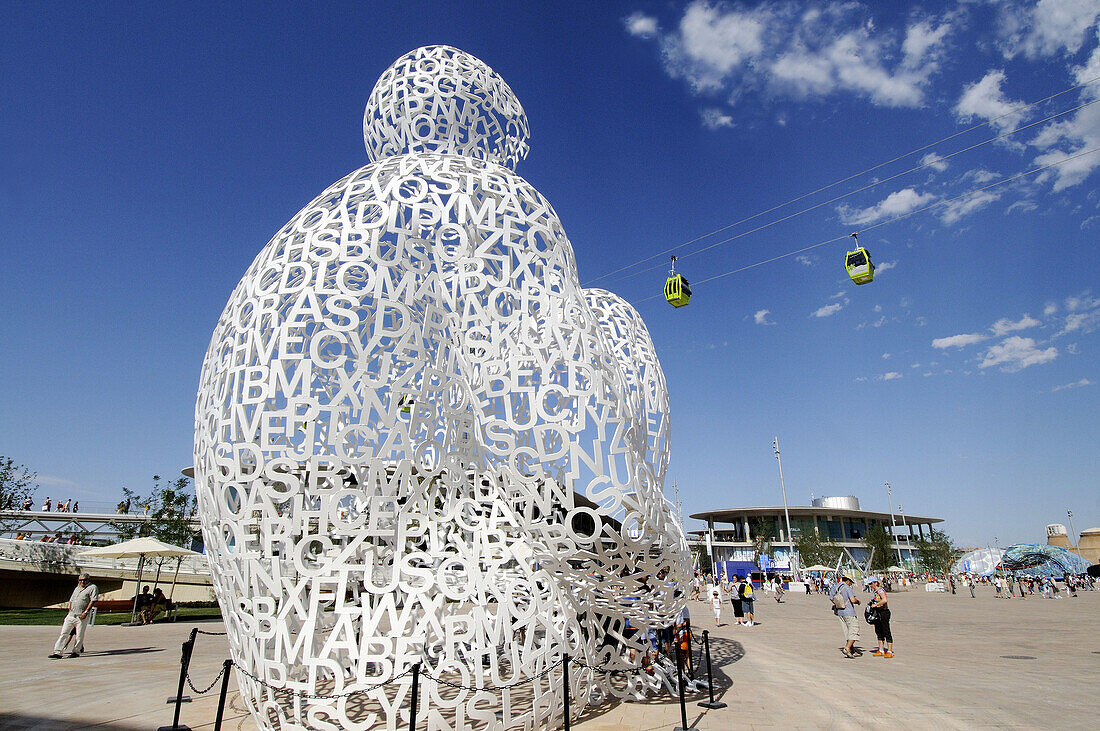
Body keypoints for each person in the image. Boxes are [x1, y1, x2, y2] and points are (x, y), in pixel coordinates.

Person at [49, 573, 98, 658]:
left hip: (81, 616)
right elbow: (71, 600)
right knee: (64, 633)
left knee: (79, 635)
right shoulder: (77, 588)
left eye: (84, 580)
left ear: (88, 580)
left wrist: (85, 612)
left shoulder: (93, 588)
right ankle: (58, 652)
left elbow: (92, 601)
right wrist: (70, 610)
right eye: (80, 580)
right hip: (71, 615)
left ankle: (76, 651)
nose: (82, 581)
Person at [831, 573, 861, 658]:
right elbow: (853, 600)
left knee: (847, 631)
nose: (851, 583)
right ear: (847, 581)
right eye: (851, 582)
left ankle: (852, 650)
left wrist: (839, 604)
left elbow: (831, 598)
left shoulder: (835, 587)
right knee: (854, 630)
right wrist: (858, 602)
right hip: (849, 612)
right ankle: (847, 648)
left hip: (840, 612)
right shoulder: (847, 588)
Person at [865, 577, 893, 658]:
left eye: (871, 584)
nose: (870, 585)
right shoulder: (875, 592)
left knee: (886, 630)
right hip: (877, 612)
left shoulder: (881, 591)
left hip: (883, 612)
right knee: (878, 631)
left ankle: (889, 650)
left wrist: (876, 604)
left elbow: (884, 600)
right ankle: (881, 649)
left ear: (875, 583)